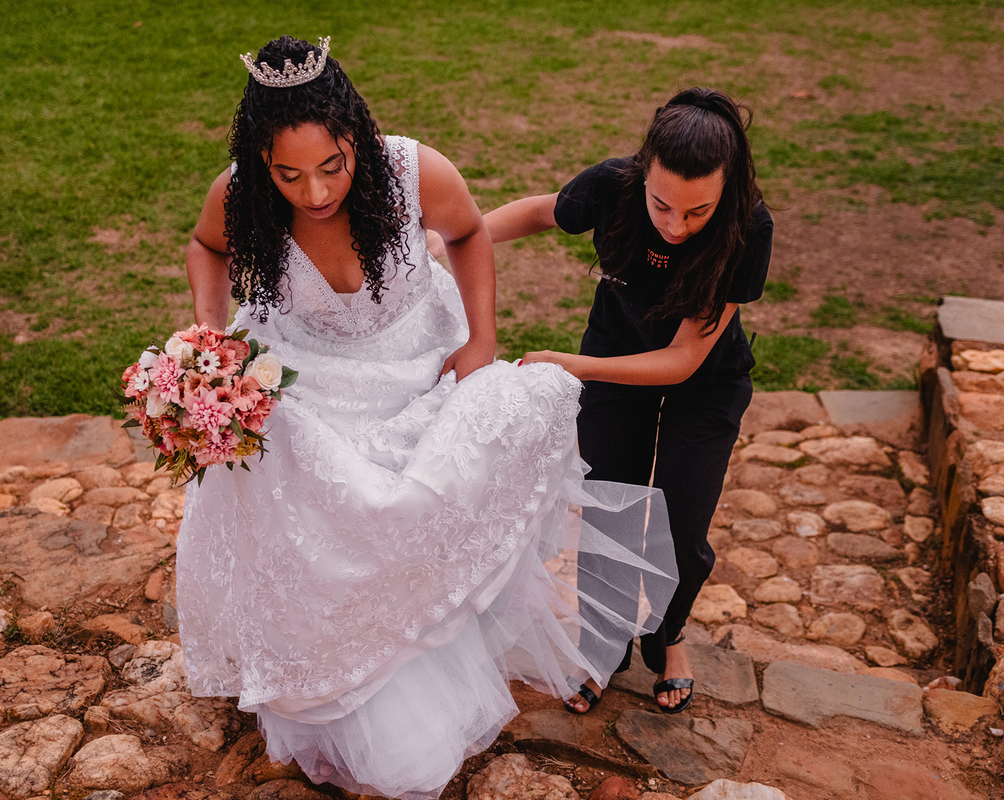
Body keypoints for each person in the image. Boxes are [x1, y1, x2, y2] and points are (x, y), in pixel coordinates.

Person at [175, 36, 677, 799]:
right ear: (261, 162)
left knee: (431, 492)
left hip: (419, 362)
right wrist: (212, 339)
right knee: (302, 492)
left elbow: (470, 233)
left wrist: (482, 339)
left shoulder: (416, 171)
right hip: (307, 372)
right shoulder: (237, 192)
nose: (315, 192)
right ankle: (329, 663)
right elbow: (205, 246)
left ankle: (424, 639)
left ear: (356, 136)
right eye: (289, 175)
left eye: (332, 166)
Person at [478, 88, 772, 714]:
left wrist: (575, 365)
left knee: (681, 529)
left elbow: (683, 359)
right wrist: (449, 241)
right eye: (661, 204)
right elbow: (538, 212)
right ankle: (602, 650)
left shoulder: (748, 226)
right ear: (643, 173)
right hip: (615, 357)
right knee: (608, 512)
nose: (675, 226)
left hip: (705, 383)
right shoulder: (611, 187)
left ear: (726, 190)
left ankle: (669, 638)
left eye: (697, 212)